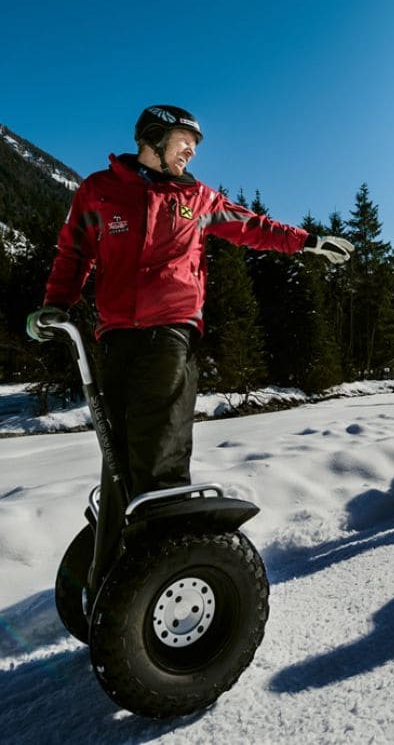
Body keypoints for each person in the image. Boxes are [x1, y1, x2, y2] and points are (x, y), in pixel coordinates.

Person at [26, 104, 353, 585]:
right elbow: (73, 252)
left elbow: (252, 226)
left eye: (196, 145)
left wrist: (307, 241)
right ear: (153, 138)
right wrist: (56, 304)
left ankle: (167, 567)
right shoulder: (99, 191)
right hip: (116, 334)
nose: (192, 151)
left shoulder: (197, 198)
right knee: (118, 453)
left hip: (172, 329)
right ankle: (116, 565)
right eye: (185, 140)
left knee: (160, 447)